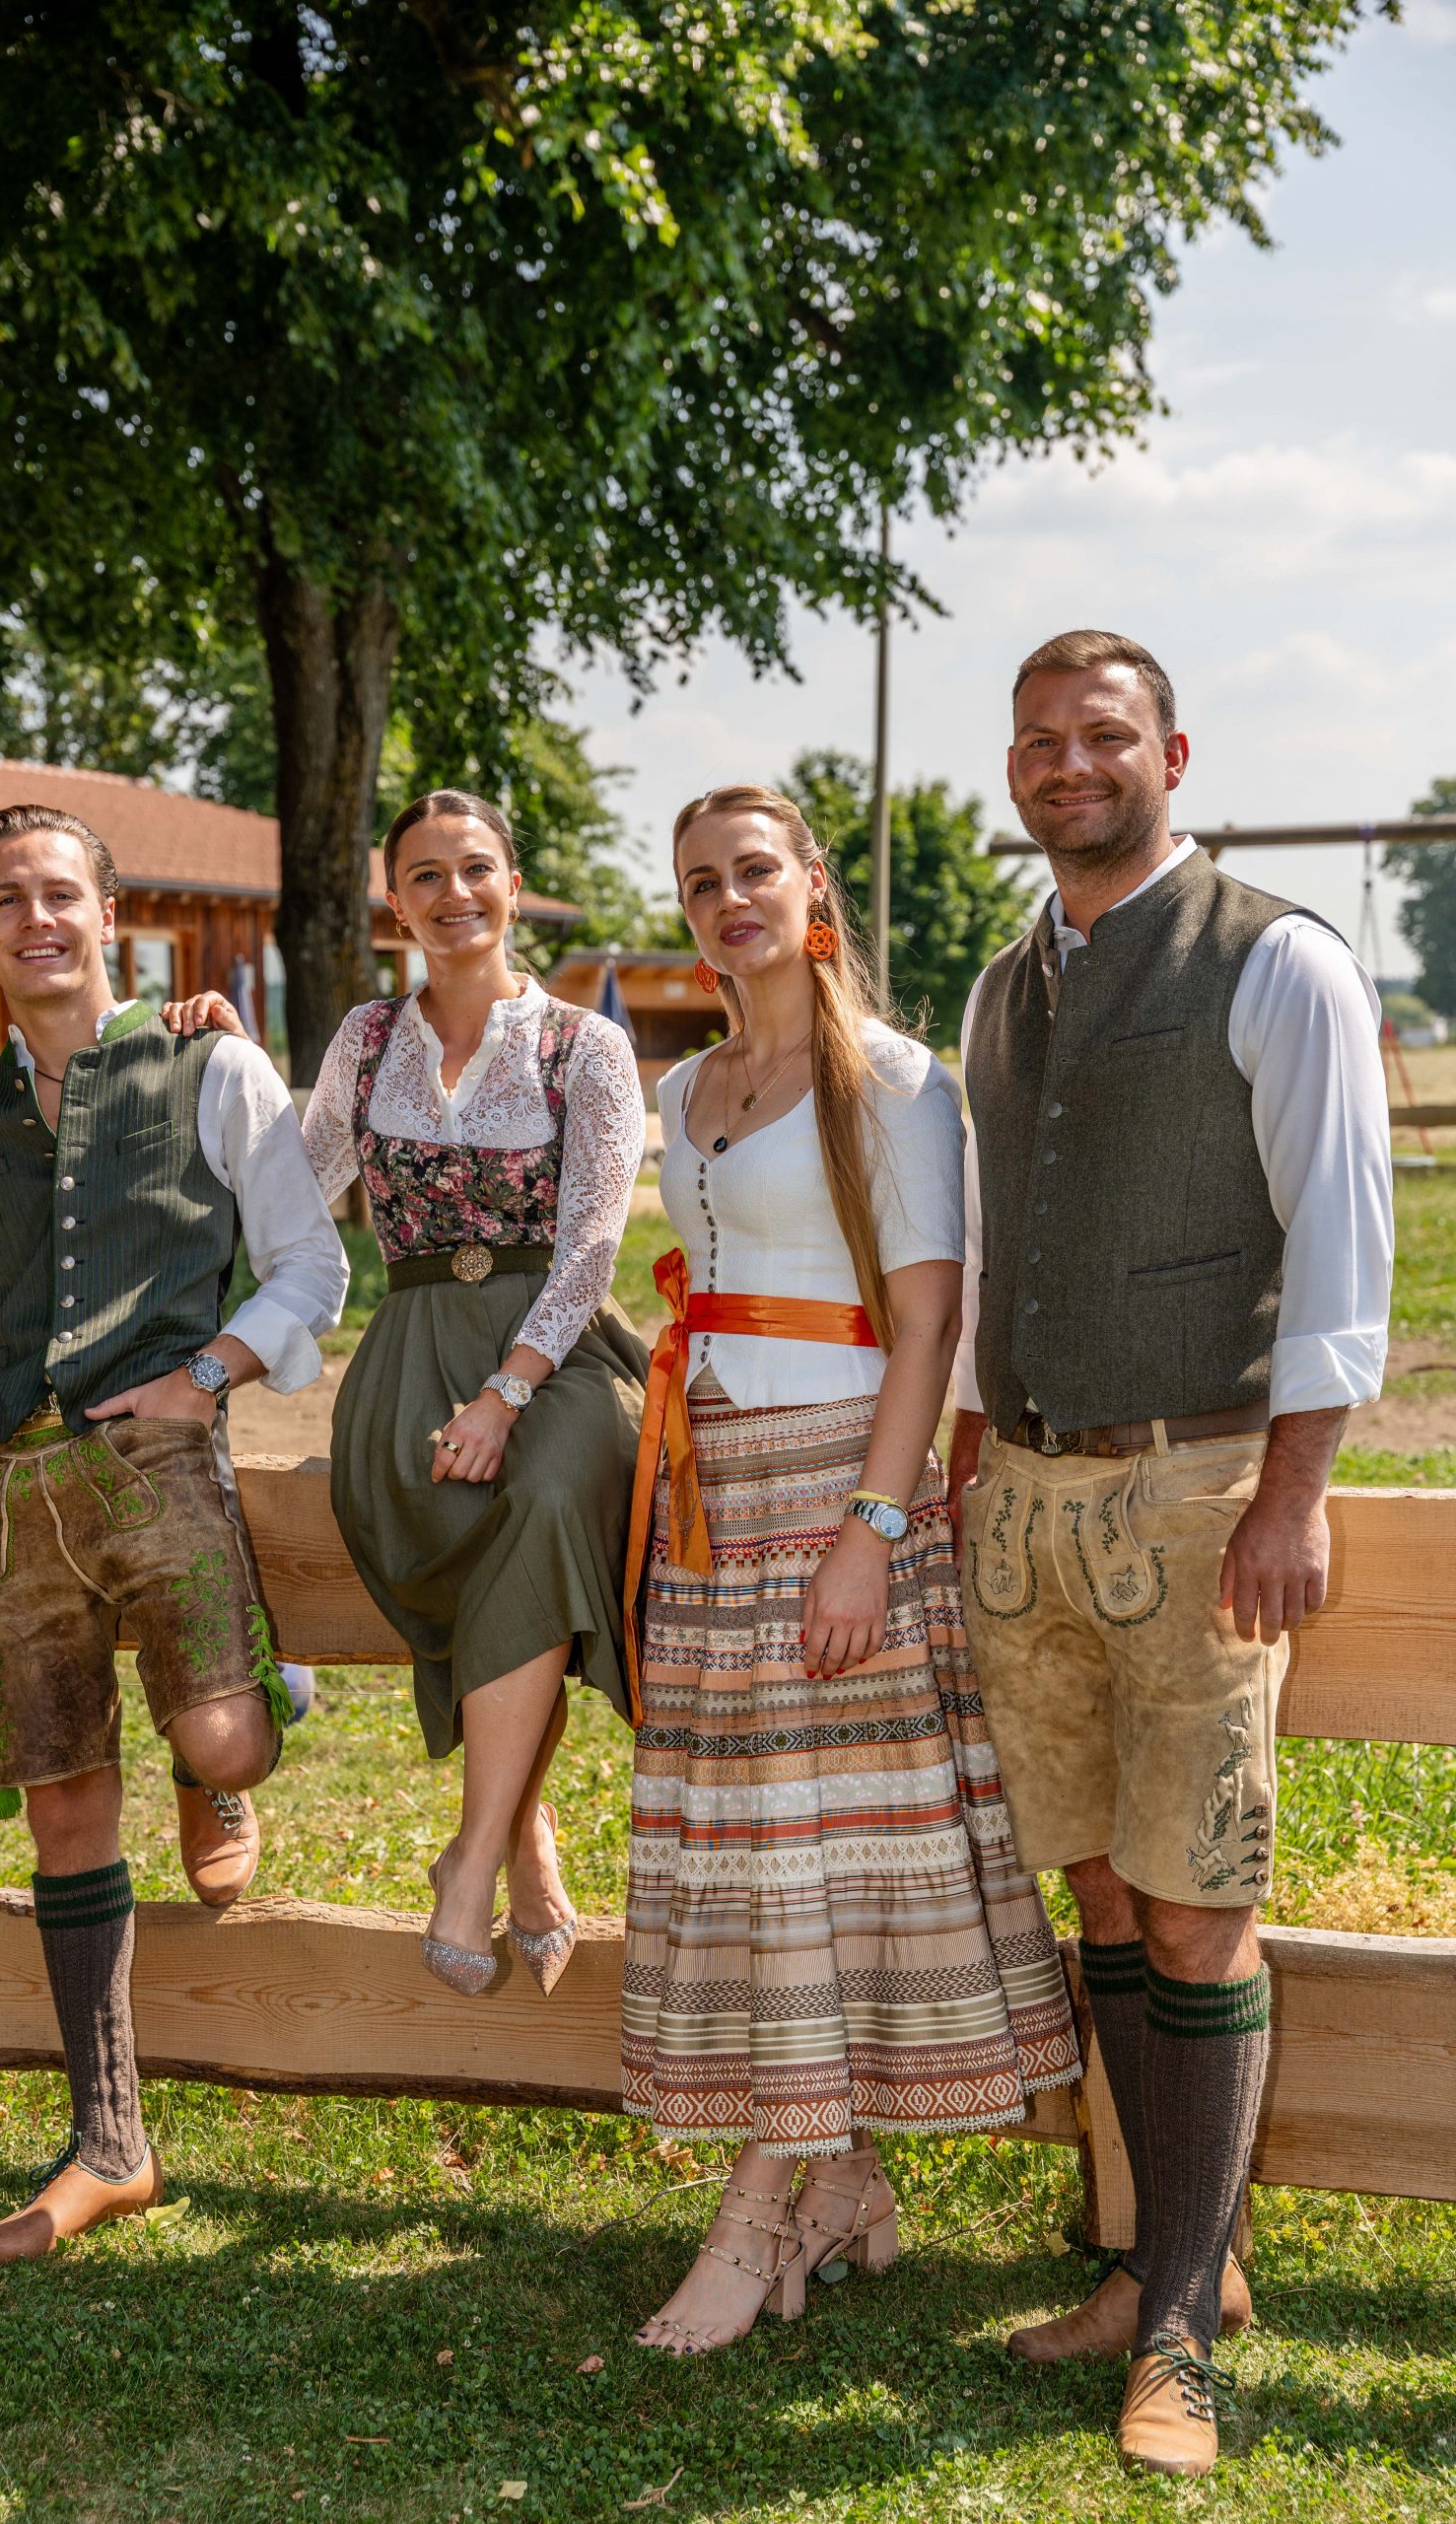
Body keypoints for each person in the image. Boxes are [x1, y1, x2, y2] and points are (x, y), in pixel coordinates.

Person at [947, 630, 1394, 2478]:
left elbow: (1340, 1235)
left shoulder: (1275, 958)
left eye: (1102, 735)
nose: (1067, 764)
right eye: (1038, 740)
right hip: (1027, 1497)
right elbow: (989, 1237)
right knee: (1106, 1898)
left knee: (1198, 1899)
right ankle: (1154, 2270)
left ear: (1170, 756)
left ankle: (1184, 2337)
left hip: (1198, 1490)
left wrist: (1292, 1493)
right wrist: (968, 1456)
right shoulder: (1001, 986)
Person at [620, 783, 1080, 2357]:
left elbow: (928, 1320)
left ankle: (755, 2217)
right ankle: (842, 2182)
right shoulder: (680, 1087)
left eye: (754, 869)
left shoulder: (887, 1077)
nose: (727, 900)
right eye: (699, 881)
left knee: (815, 1853)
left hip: (837, 1491)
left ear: (811, 886)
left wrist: (871, 1538)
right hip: (710, 1494)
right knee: (763, 1857)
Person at [0, 804, 346, 2262]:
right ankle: (110, 2145)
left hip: (160, 1454)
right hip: (15, 1483)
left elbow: (308, 1264)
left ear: (109, 915)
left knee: (225, 1740)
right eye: (5, 899)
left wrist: (206, 1373)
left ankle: (230, 1732)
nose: (35, 919)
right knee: (62, 1810)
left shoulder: (214, 1063)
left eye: (59, 894)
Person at [170, 788, 649, 1997]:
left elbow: (593, 1249)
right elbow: (288, 1183)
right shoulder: (369, 1036)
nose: (453, 893)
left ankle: (471, 1856)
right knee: (476, 1530)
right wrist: (228, 1060)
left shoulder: (584, 1045)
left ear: (513, 884)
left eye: (476, 867)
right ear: (396, 902)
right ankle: (526, 1831)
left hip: (555, 1350)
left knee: (550, 1498)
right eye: (425, 875)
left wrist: (505, 1394)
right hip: (410, 1348)